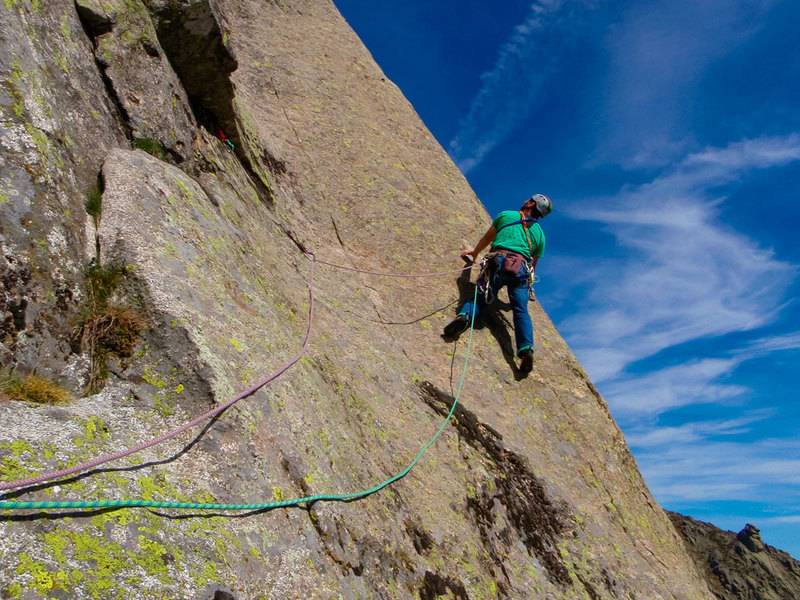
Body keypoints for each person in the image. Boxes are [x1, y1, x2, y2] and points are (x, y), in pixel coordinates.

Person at [443, 194, 551, 373]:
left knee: (480, 298)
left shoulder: (507, 215)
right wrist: (528, 282)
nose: (525, 200)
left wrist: (475, 253)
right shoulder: (540, 234)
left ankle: (463, 317)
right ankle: (526, 351)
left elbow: (487, 238)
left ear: (532, 203)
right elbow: (534, 264)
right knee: (521, 311)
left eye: (529, 199)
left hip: (499, 261)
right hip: (522, 270)